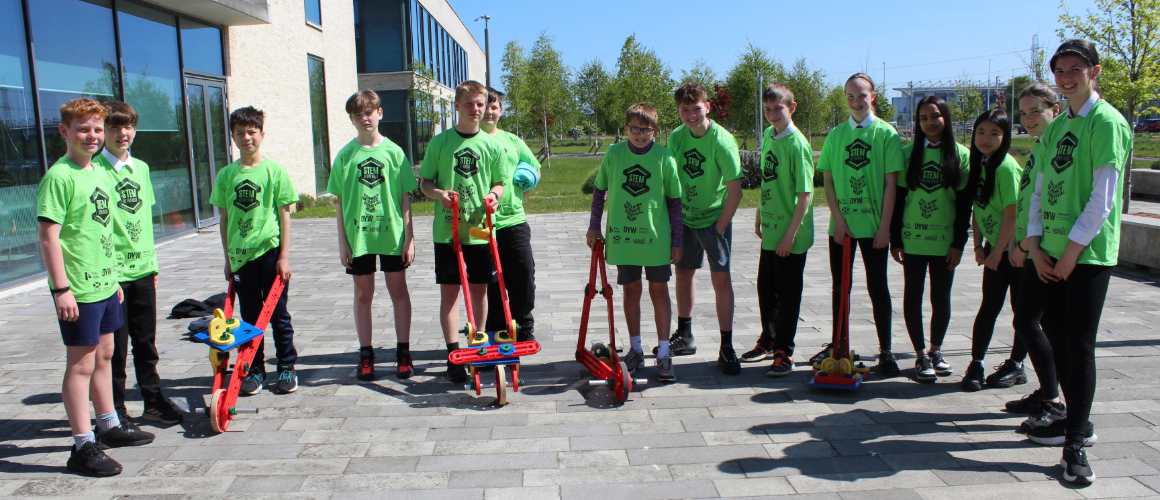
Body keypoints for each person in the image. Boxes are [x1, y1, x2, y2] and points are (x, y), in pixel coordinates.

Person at [1025, 40, 1131, 485]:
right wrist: (1033, 241)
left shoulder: (1106, 122)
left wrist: (1072, 251)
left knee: (1080, 344)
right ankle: (1075, 420)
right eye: (1060, 71)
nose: (1067, 77)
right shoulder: (1058, 124)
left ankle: (1075, 446)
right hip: (1049, 250)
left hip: (1085, 255)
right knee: (1057, 335)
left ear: (1094, 71)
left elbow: (1103, 197)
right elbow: (1040, 185)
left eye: (1075, 69)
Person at [37, 98, 154, 477]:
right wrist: (61, 290)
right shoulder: (60, 176)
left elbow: (103, 229)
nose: (92, 136)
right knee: (82, 363)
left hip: (107, 285)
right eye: (83, 129)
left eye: (97, 129)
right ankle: (83, 445)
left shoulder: (98, 172)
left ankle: (110, 424)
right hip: (80, 290)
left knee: (106, 354)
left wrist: (115, 278)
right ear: (64, 132)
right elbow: (48, 238)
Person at [94, 101, 181, 424]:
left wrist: (153, 264)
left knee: (145, 342)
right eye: (114, 126)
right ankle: (115, 410)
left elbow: (144, 221)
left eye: (128, 126)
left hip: (143, 270)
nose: (122, 133)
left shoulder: (141, 169)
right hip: (112, 276)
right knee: (115, 349)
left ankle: (153, 400)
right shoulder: (95, 171)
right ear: (103, 130)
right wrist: (111, 274)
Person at [418, 80, 508, 383]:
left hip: (480, 229)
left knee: (481, 288)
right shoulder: (440, 143)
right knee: (451, 292)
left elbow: (500, 182)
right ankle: (453, 354)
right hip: (448, 231)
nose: (476, 109)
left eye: (480, 104)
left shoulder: (492, 144)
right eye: (469, 103)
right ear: (456, 106)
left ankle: (478, 346)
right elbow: (425, 183)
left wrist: (494, 196)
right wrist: (439, 194)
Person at [813, 73, 903, 377]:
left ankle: (886, 350)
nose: (855, 101)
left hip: (874, 228)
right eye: (850, 96)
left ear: (873, 97)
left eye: (861, 95)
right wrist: (838, 221)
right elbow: (827, 180)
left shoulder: (886, 134)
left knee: (878, 287)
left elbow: (891, 185)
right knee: (841, 288)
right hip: (842, 229)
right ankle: (839, 345)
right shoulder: (836, 135)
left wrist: (884, 227)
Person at [587, 103, 683, 383]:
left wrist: (677, 240)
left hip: (656, 241)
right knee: (631, 292)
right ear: (626, 127)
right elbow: (599, 192)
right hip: (624, 239)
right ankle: (636, 349)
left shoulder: (665, 158)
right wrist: (594, 225)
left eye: (647, 129)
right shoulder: (614, 154)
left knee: (659, 293)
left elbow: (675, 204)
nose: (641, 134)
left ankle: (664, 354)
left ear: (655, 130)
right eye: (635, 128)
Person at [209, 106, 300, 395]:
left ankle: (286, 366)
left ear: (261, 133)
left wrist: (283, 257)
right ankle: (255, 369)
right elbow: (224, 220)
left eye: (251, 132)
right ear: (232, 137)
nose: (246, 137)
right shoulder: (226, 175)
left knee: (278, 314)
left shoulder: (275, 171)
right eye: (240, 133)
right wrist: (227, 259)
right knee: (248, 318)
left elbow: (285, 215)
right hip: (240, 258)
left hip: (270, 254)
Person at [328, 90, 417, 381]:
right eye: (358, 114)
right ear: (351, 119)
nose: (364, 118)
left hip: (391, 236)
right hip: (359, 238)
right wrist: (342, 241)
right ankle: (366, 354)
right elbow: (340, 202)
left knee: (398, 293)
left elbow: (405, 199)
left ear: (380, 112)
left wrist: (409, 238)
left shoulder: (394, 152)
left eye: (369, 111)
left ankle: (403, 353)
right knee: (363, 294)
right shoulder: (345, 156)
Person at [889, 96, 971, 382]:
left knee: (941, 297)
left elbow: (964, 205)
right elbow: (899, 200)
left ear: (945, 118)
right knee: (913, 296)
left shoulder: (961, 155)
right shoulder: (908, 153)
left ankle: (937, 350)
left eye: (934, 116)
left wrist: (959, 243)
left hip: (944, 242)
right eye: (923, 118)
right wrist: (895, 239)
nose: (929, 122)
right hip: (913, 241)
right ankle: (920, 355)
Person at [666, 82, 743, 375]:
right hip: (685, 219)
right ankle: (684, 335)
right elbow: (670, 182)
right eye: (684, 110)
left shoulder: (722, 141)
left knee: (721, 279)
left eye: (696, 108)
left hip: (715, 218)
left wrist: (719, 228)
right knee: (684, 273)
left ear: (707, 107)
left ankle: (726, 346)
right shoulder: (676, 137)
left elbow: (735, 192)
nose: (691, 115)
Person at [1003, 83, 1063, 431]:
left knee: (1031, 321)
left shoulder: (1055, 146)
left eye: (1035, 111)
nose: (1027, 119)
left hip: (1046, 249)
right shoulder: (1041, 147)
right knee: (1028, 320)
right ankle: (1047, 392)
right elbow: (1030, 201)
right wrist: (1018, 241)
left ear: (1054, 109)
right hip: (1030, 246)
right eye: (1023, 113)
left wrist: (1027, 245)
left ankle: (1053, 400)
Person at [747, 82, 814, 377]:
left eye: (779, 108)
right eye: (768, 109)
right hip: (772, 230)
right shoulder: (769, 136)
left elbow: (805, 195)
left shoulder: (797, 144)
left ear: (792, 108)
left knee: (788, 294)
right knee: (766, 288)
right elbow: (768, 180)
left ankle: (785, 352)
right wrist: (760, 214)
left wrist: (790, 235)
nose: (773, 114)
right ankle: (768, 338)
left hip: (791, 235)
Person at [961, 110, 1021, 392]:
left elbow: (1013, 213)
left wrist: (999, 251)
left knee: (1022, 314)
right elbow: (978, 208)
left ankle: (1017, 364)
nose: (986, 139)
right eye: (981, 132)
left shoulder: (1006, 167)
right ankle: (977, 363)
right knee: (989, 308)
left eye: (994, 133)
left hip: (1016, 251)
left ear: (1005, 137)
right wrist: (977, 246)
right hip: (993, 247)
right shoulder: (980, 164)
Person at [480, 87, 540, 343]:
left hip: (514, 221)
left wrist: (521, 191)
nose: (490, 112)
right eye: (486, 106)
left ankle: (523, 325)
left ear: (501, 110)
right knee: (491, 281)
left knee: (523, 274)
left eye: (495, 107)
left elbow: (535, 169)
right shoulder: (469, 141)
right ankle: (497, 329)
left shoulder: (513, 141)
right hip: (482, 225)